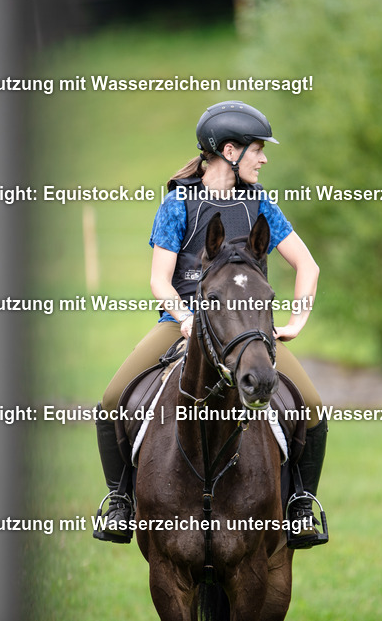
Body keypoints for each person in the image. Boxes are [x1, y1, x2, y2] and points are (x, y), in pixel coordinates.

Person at [93, 100, 328, 549]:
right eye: (258, 149)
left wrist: (298, 318)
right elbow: (159, 280)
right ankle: (120, 500)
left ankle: (299, 504)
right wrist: (184, 317)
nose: (264, 158)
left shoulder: (260, 204)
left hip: (246, 330)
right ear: (228, 150)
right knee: (110, 401)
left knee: (312, 408)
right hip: (182, 323)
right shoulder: (179, 202)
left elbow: (308, 266)